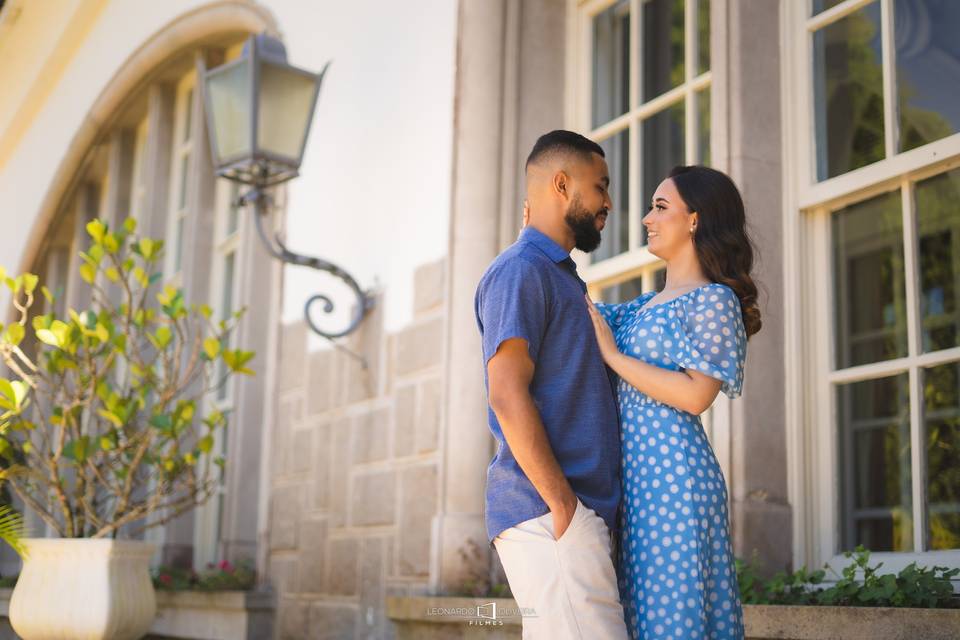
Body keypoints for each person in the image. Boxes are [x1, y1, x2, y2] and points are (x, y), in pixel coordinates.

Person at [585, 165, 762, 639]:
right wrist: (541, 236)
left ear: (695, 221)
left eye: (660, 207)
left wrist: (614, 357)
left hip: (676, 485)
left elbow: (695, 395)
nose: (646, 218)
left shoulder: (713, 300)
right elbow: (574, 308)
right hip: (635, 487)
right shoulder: (642, 306)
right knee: (641, 621)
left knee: (671, 623)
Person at [474, 129, 629, 638]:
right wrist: (564, 506)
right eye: (601, 185)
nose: (609, 201)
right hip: (552, 516)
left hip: (571, 517)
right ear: (561, 184)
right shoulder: (521, 271)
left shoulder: (558, 275)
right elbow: (506, 393)